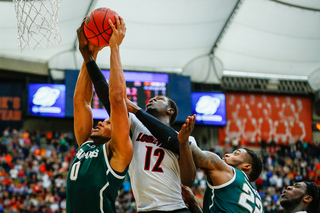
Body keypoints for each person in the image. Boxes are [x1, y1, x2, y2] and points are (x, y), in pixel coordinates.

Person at [82, 15, 197, 213]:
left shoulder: (186, 138)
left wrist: (138, 110)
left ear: (171, 111)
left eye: (159, 99)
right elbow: (107, 95)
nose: (152, 99)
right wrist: (89, 59)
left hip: (176, 209)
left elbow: (188, 179)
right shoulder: (134, 124)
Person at [66, 16, 133, 213]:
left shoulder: (118, 152)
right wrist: (90, 54)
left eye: (108, 122)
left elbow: (117, 98)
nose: (101, 123)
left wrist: (115, 48)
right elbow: (81, 101)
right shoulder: (86, 142)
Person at [189, 146, 263, 213]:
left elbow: (192, 152)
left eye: (236, 154)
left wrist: (184, 140)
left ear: (246, 166)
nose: (227, 154)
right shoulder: (257, 199)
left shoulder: (233, 175)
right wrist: (193, 204)